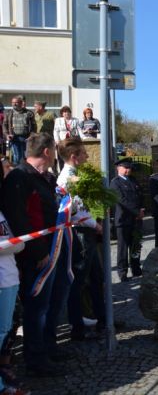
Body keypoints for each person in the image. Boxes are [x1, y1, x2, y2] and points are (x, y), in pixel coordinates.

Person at [2, 133, 65, 377]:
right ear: (47, 152)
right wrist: (38, 251)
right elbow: (19, 219)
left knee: (46, 305)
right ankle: (36, 359)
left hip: (49, 249)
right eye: (54, 150)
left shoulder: (41, 178)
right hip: (34, 255)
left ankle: (48, 348)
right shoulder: (20, 178)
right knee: (36, 308)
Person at [56, 138, 107, 342]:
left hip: (87, 233)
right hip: (79, 233)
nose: (87, 156)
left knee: (97, 277)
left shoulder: (76, 175)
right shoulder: (68, 178)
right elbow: (75, 211)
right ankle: (77, 328)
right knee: (78, 281)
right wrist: (95, 225)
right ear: (74, 157)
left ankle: (102, 318)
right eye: (84, 153)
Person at [0, 159, 30, 394]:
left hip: (8, 276)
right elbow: (9, 243)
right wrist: (16, 245)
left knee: (4, 330)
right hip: (2, 279)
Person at [111, 157, 145, 282]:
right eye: (125, 168)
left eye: (129, 168)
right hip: (123, 219)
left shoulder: (133, 180)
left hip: (136, 219)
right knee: (123, 247)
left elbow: (140, 195)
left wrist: (141, 209)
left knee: (136, 245)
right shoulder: (115, 182)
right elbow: (122, 200)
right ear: (118, 168)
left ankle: (136, 268)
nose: (128, 170)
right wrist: (137, 212)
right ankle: (122, 271)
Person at [3, 96, 36, 165]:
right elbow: (4, 125)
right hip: (14, 138)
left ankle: (26, 174)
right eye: (13, 103)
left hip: (26, 138)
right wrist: (7, 135)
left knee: (26, 157)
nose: (14, 104)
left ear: (21, 103)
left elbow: (34, 126)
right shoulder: (9, 113)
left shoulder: (29, 113)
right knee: (17, 157)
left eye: (16, 102)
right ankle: (18, 173)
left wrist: (31, 136)